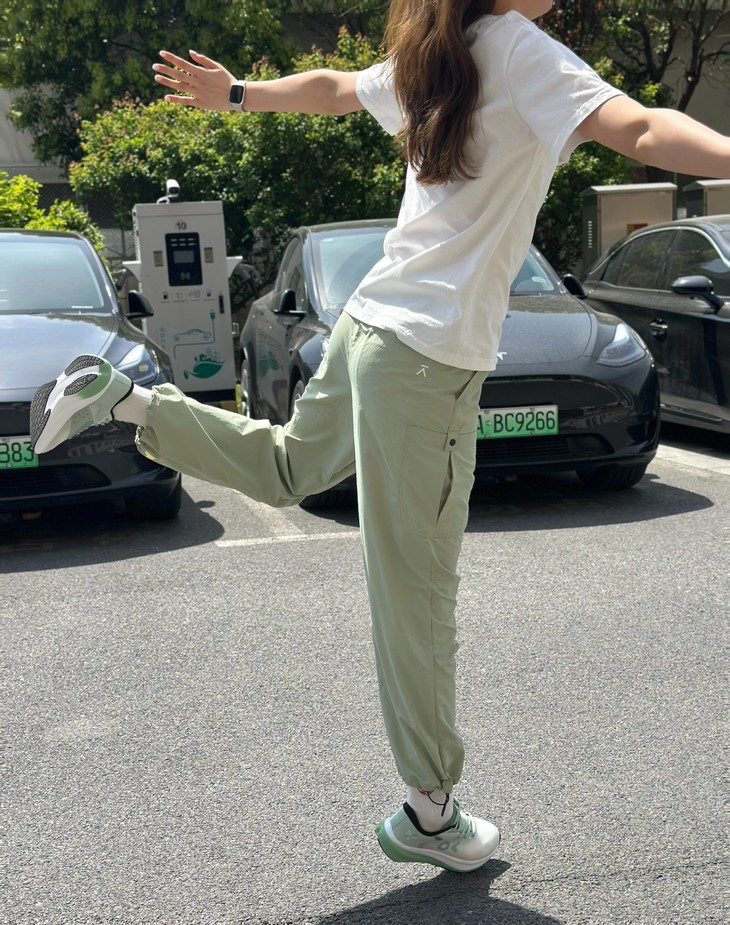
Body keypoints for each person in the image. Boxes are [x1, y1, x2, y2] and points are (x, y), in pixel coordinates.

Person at [30, 0, 730, 874]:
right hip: (426, 366)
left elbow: (333, 87)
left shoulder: (440, 51)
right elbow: (643, 128)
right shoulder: (523, 51)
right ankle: (431, 811)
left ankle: (123, 401)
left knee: (289, 468)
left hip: (368, 330)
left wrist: (239, 93)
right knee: (416, 594)